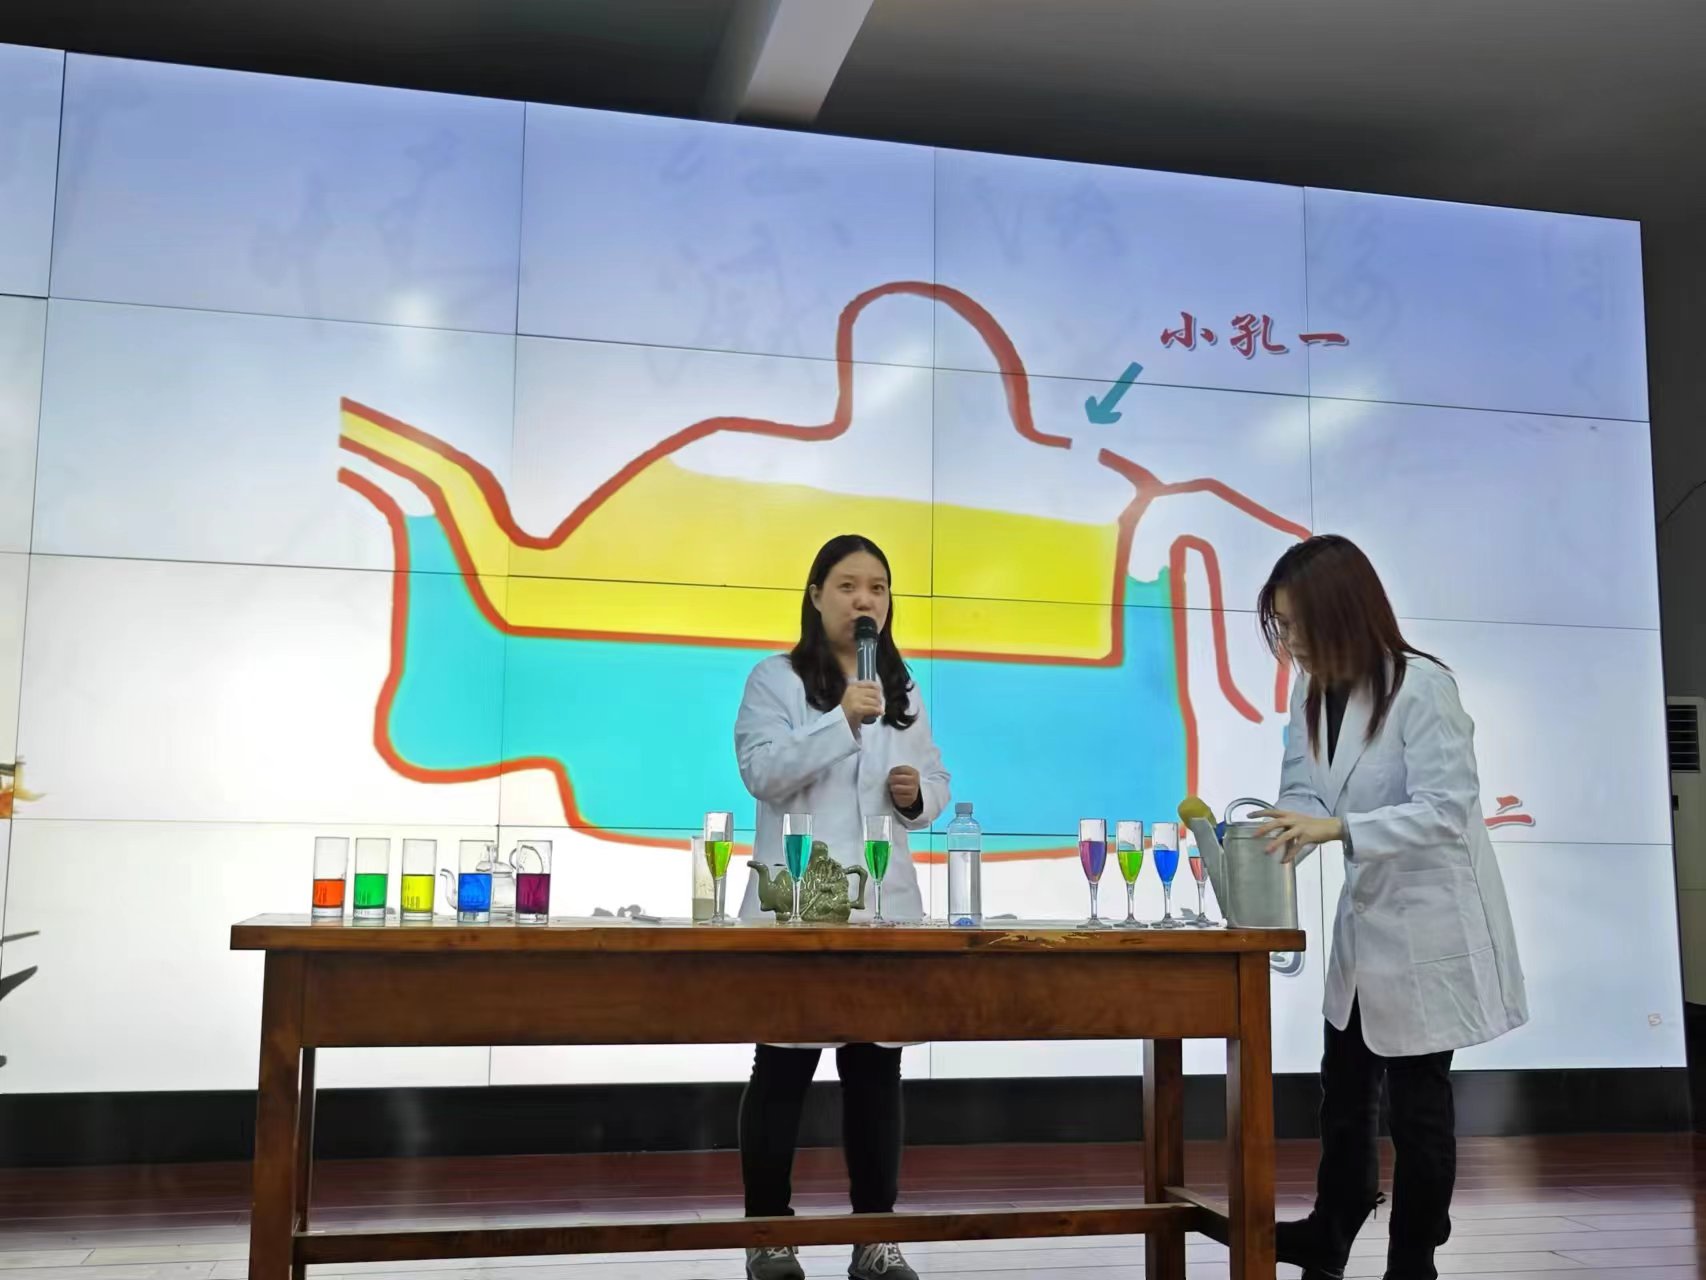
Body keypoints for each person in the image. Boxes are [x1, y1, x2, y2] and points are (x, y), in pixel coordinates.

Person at [1253, 535, 1527, 1280]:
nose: (1290, 641)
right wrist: (1283, 830)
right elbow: (1304, 788)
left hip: (1430, 923)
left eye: (1298, 624)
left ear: (1342, 612)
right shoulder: (1310, 692)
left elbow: (1447, 809)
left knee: (1416, 1106)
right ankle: (1331, 1228)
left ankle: (1414, 1258)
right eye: (1282, 625)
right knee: (1342, 1091)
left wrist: (1338, 829)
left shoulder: (1423, 688)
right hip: (1368, 921)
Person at [733, 534, 951, 1280]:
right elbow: (762, 773)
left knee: (876, 1071)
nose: (866, 601)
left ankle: (874, 1239)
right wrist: (842, 723)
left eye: (878, 589)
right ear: (816, 595)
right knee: (782, 1067)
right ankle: (768, 1235)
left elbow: (936, 780)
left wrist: (916, 796)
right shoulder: (775, 679)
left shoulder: (903, 691)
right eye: (849, 586)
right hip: (799, 904)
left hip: (884, 907)